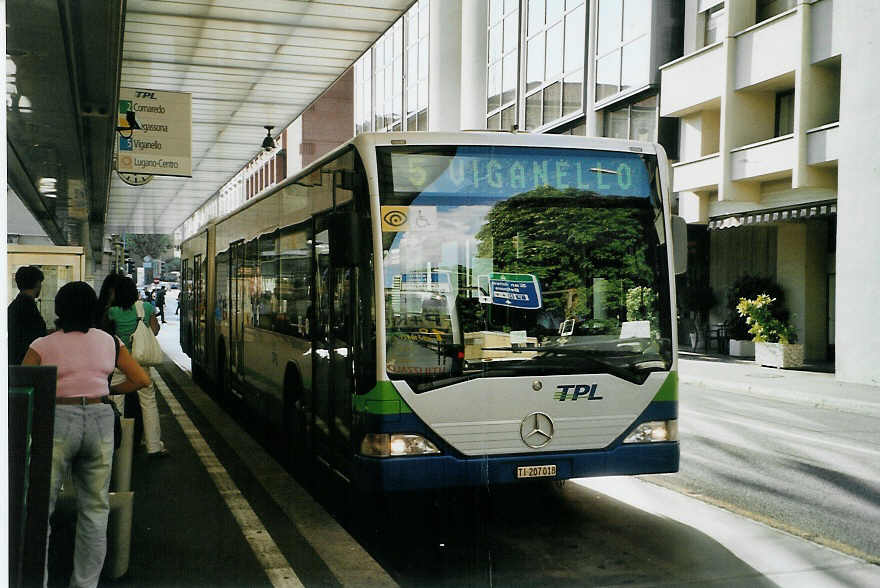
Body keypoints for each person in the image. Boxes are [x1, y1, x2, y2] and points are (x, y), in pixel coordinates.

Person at [21, 281, 151, 588]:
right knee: (94, 510)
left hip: (57, 420)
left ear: (59, 309)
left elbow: (22, 384)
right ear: (93, 308)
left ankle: (36, 580)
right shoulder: (109, 341)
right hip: (99, 419)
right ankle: (85, 583)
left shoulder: (43, 344)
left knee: (41, 507)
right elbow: (141, 379)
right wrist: (108, 389)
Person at [108, 276, 169, 457]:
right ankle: (154, 446)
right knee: (148, 402)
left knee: (115, 401)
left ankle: (115, 445)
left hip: (119, 362)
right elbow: (155, 330)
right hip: (141, 363)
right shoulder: (146, 308)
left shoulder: (111, 312)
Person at [8, 265, 47, 364]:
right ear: (38, 283)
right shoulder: (28, 308)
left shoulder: (14, 306)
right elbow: (36, 337)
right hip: (25, 364)